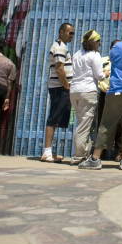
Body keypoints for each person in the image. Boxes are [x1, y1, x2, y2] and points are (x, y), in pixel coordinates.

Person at [80, 21, 122, 170]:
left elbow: (112, 62)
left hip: (118, 91)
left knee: (107, 123)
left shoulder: (117, 47)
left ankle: (95, 158)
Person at [69, 30, 106, 164]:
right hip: (88, 91)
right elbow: (99, 75)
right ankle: (79, 155)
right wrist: (106, 72)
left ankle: (84, 152)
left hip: (74, 91)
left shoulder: (77, 54)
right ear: (94, 42)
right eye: (98, 41)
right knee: (84, 125)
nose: (100, 44)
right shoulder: (95, 55)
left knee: (81, 123)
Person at [41, 23, 75, 162]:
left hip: (61, 87)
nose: (71, 35)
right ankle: (47, 152)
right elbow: (59, 68)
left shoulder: (62, 46)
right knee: (54, 118)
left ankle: (49, 152)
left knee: (56, 118)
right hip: (60, 87)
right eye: (69, 33)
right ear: (61, 32)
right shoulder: (59, 47)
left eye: (73, 33)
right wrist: (66, 86)